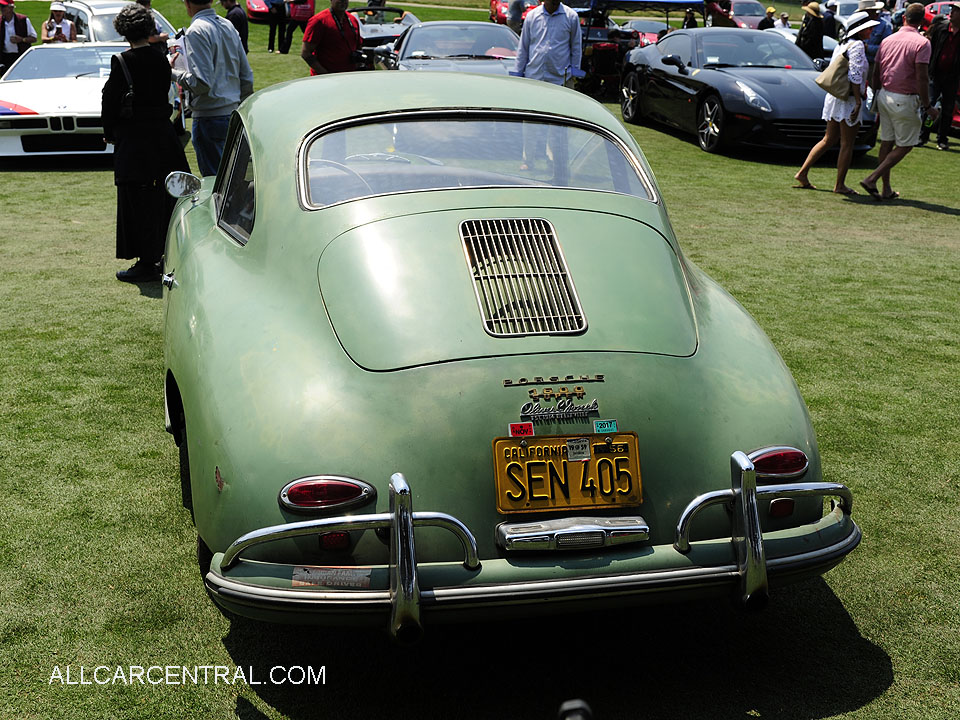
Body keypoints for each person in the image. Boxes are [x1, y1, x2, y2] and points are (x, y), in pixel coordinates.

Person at [101, 4, 190, 282]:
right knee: (166, 196)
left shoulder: (122, 61)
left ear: (122, 31)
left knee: (136, 199)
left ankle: (145, 261)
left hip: (135, 138)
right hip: (162, 136)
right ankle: (166, 254)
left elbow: (110, 100)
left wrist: (109, 131)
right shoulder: (161, 59)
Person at [794, 12, 880, 193]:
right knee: (846, 143)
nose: (872, 30)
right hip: (847, 99)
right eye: (869, 27)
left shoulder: (843, 45)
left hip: (835, 96)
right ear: (860, 29)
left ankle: (803, 172)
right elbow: (855, 75)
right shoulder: (856, 46)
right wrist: (858, 101)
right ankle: (839, 184)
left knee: (829, 138)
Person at [860, 3, 937, 199]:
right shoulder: (922, 43)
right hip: (904, 98)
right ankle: (873, 178)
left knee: (887, 142)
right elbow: (921, 76)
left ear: (904, 18)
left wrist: (876, 93)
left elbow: (877, 70)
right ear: (922, 21)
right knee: (905, 145)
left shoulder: (888, 39)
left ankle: (886, 188)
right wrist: (928, 105)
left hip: (885, 94)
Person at [170, 0, 253, 177]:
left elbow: (201, 83)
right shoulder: (227, 25)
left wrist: (172, 73)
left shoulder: (196, 31)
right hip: (233, 113)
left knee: (217, 188)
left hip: (209, 118)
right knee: (236, 183)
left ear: (186, 3)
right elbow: (246, 75)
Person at [919, 3, 960, 149]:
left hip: (953, 77)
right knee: (929, 105)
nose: (952, 13)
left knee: (948, 110)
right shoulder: (941, 28)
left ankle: (942, 139)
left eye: (955, 11)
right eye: (952, 10)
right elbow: (931, 48)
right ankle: (923, 135)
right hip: (935, 75)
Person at [513, 0, 581, 85]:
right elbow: (523, 47)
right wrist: (517, 73)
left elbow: (576, 47)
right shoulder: (532, 16)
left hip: (560, 80)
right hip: (534, 78)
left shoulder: (571, 17)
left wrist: (574, 74)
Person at [300, 0, 362, 74]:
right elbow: (306, 53)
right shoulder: (319, 21)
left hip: (349, 76)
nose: (343, 1)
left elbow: (358, 46)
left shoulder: (352, 20)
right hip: (326, 79)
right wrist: (325, 74)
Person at [0, 0, 36, 69]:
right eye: (0, 6)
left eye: (3, 6)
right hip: (4, 57)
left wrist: (22, 39)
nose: (1, 9)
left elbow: (34, 38)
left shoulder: (23, 20)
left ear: (11, 8)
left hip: (20, 56)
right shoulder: (0, 21)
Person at [859, 0, 893, 68]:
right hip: (859, 62)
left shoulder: (885, 26)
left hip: (873, 64)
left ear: (872, 11)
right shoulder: (860, 24)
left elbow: (886, 48)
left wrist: (868, 48)